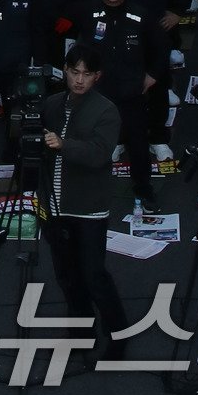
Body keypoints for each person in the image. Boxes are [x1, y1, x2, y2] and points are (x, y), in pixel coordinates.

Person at [41, 45, 127, 350]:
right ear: (65, 71)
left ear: (97, 76)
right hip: (55, 206)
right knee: (66, 276)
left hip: (88, 210)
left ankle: (118, 334)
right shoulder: (50, 104)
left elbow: (99, 154)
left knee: (93, 276)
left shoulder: (106, 110)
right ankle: (81, 332)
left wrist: (64, 144)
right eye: (74, 72)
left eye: (86, 74)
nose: (79, 79)